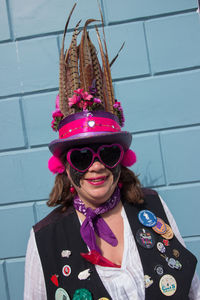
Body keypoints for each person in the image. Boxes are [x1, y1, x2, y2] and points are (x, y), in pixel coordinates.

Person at [24, 5, 200, 300]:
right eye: (81, 157)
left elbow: (192, 289)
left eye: (106, 153)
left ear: (121, 159)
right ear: (66, 167)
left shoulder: (154, 208)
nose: (96, 166)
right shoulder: (44, 239)